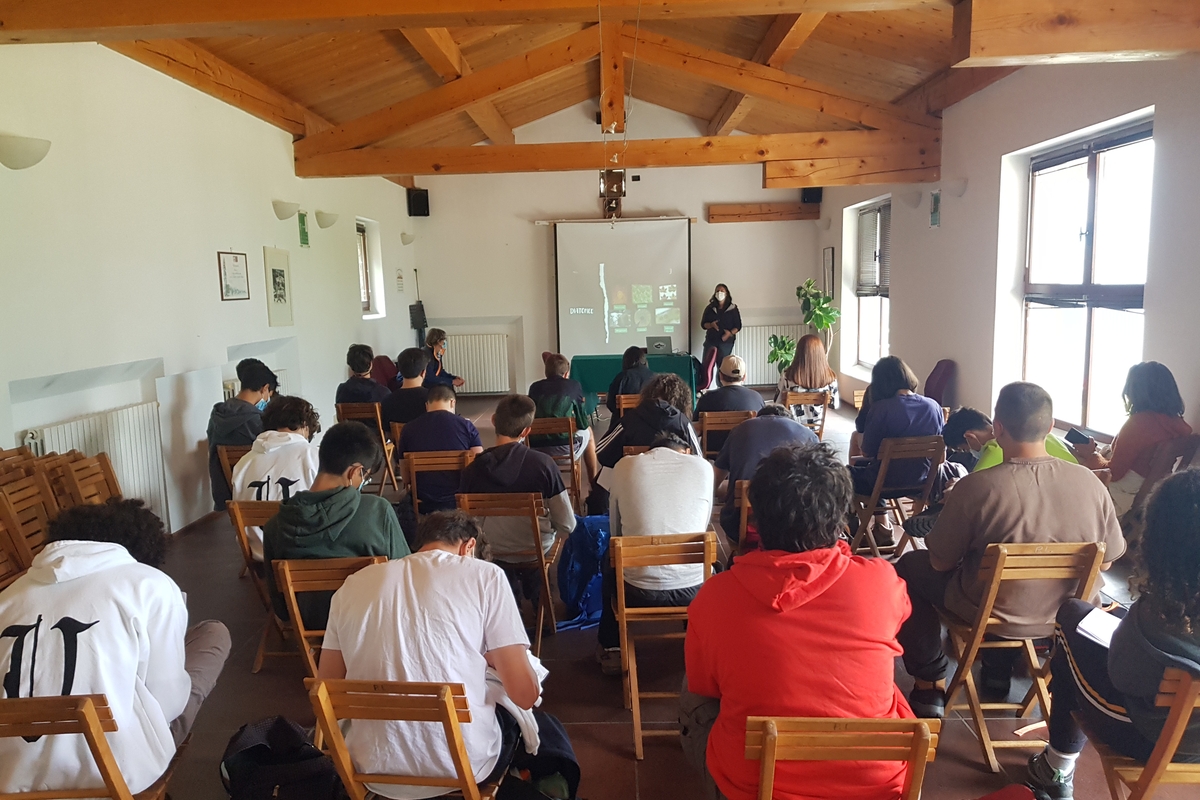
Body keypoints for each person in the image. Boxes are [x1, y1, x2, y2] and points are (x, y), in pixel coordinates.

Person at [682, 443, 914, 800]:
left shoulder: (714, 596)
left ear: (756, 518)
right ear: (841, 516)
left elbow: (707, 686)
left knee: (690, 689)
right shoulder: (882, 581)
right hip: (873, 784)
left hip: (752, 785)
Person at [893, 382, 1126, 719]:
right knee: (1008, 585)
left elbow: (941, 563)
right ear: (1049, 427)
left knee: (909, 567)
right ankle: (997, 669)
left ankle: (930, 681)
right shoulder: (1089, 482)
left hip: (992, 610)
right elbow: (1106, 563)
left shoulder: (977, 487)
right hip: (1065, 613)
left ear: (997, 428)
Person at [318, 511, 578, 800]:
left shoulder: (353, 584)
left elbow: (327, 686)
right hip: (461, 766)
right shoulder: (486, 576)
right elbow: (525, 695)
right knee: (536, 724)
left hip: (369, 766)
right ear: (469, 547)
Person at [0, 500, 231, 795]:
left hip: (11, 779)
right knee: (212, 635)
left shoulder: (8, 597)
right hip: (118, 776)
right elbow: (169, 704)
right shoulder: (150, 584)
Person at [1025, 468, 1200, 800]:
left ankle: (1056, 766)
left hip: (1148, 737)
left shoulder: (1158, 613)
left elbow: (1123, 677)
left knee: (1072, 622)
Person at [262, 421, 411, 630]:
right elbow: (405, 580)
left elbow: (281, 609)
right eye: (365, 477)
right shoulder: (377, 511)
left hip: (308, 628)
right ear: (354, 472)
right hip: (369, 630)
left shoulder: (274, 526)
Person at [596, 433, 713, 675]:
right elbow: (703, 522)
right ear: (686, 452)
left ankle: (613, 646)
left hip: (635, 591)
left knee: (610, 559)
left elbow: (615, 531)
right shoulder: (703, 467)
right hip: (696, 591)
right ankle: (701, 639)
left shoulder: (625, 465)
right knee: (714, 564)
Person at [458, 394, 576, 611]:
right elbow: (568, 524)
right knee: (539, 555)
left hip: (490, 549)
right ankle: (541, 605)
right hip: (534, 548)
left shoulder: (471, 470)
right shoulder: (543, 465)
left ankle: (507, 600)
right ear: (526, 431)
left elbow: (465, 523)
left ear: (493, 420)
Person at [1071, 361, 1193, 517]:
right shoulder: (1177, 424)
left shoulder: (1139, 423)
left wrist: (1091, 454)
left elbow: (1113, 473)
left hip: (1122, 494)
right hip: (1152, 492)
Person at [848, 355, 944, 545]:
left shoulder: (881, 409)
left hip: (881, 482)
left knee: (844, 475)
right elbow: (941, 457)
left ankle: (860, 525)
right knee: (877, 470)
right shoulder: (934, 406)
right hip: (922, 481)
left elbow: (867, 452)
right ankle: (883, 528)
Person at [712, 404, 817, 547]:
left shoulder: (741, 429)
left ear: (759, 417)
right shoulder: (809, 435)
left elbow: (715, 479)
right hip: (797, 527)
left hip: (740, 524)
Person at [231, 395, 321, 560]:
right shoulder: (314, 456)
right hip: (306, 554)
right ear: (305, 426)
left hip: (260, 553)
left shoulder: (244, 462)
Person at [396, 385, 484, 513]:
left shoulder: (408, 429)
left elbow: (405, 477)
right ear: (453, 402)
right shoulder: (466, 426)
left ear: (427, 405)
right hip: (458, 499)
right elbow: (478, 464)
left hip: (423, 499)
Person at [207, 358, 277, 512]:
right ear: (265, 388)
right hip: (259, 489)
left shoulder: (217, 415)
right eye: (269, 394)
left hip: (224, 489)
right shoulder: (256, 420)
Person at [597, 373, 702, 472]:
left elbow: (602, 452)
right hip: (676, 485)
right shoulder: (684, 423)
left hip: (634, 483)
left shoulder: (630, 419)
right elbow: (699, 459)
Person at [528, 353, 599, 485]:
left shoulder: (534, 388)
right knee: (588, 433)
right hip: (567, 451)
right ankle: (593, 484)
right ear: (566, 374)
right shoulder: (574, 385)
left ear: (546, 372)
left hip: (537, 453)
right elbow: (582, 423)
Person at [942, 406, 1076, 473]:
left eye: (965, 449)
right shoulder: (1045, 437)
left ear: (970, 437)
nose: (970, 453)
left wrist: (956, 488)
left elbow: (973, 492)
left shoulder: (995, 448)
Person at [693, 355, 764, 453]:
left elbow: (696, 429)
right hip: (745, 453)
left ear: (720, 375)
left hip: (714, 454)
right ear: (744, 377)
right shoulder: (757, 397)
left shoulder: (707, 398)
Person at [774, 333, 840, 427]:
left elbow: (777, 402)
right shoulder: (831, 378)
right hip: (816, 427)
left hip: (792, 427)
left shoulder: (787, 376)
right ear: (820, 354)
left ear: (798, 353)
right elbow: (834, 405)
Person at [699, 284, 741, 390]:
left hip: (726, 342)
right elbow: (703, 324)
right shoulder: (710, 308)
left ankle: (722, 389)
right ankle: (705, 388)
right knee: (707, 365)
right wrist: (711, 325)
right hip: (711, 341)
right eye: (717, 291)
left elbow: (738, 326)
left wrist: (729, 333)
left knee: (722, 366)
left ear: (727, 293)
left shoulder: (733, 308)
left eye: (722, 291)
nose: (720, 293)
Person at [605, 345, 656, 428]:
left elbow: (611, 404)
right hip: (650, 426)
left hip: (623, 427)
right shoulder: (655, 378)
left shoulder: (622, 377)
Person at [381, 347, 431, 427]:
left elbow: (387, 434)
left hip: (400, 439)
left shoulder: (387, 400)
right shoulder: (433, 399)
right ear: (423, 373)